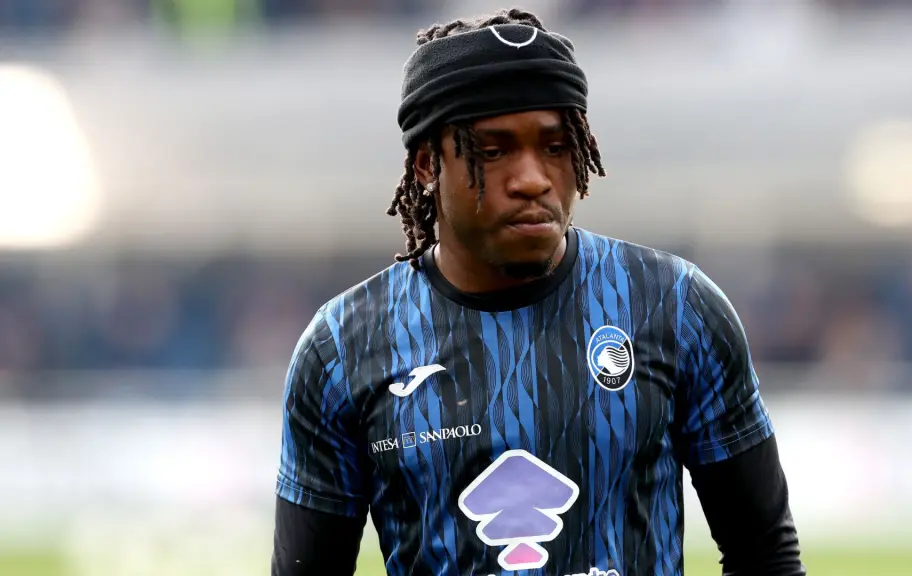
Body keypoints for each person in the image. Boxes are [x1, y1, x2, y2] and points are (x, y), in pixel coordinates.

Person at [271, 8, 805, 576]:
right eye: (493, 150)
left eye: (555, 147)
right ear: (427, 164)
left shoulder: (674, 305)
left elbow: (763, 553)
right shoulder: (343, 346)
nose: (532, 178)